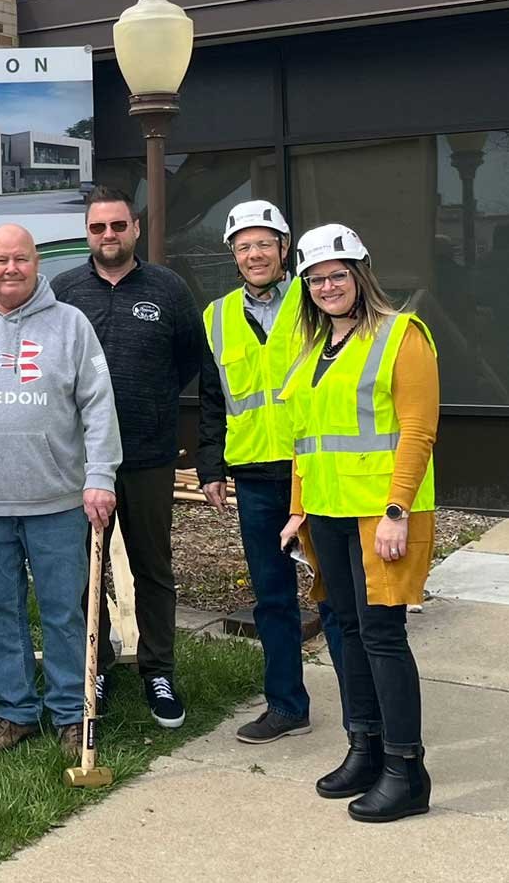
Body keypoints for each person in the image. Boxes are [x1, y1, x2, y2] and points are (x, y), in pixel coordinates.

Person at [0, 225, 121, 757]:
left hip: (57, 499)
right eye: (0, 260)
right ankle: (14, 711)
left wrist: (100, 475)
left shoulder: (71, 325)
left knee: (63, 610)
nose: (11, 269)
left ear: (37, 263)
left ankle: (71, 712)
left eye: (21, 259)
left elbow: (99, 405)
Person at [279, 224, 439, 823]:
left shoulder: (402, 335)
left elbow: (418, 431)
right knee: (345, 629)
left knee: (381, 636)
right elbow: (307, 441)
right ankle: (364, 746)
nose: (326, 286)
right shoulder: (316, 349)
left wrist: (397, 510)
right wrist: (298, 507)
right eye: (316, 279)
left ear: (360, 275)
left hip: (381, 515)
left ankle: (406, 769)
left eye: (336, 275)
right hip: (328, 514)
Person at [52, 185, 204, 728]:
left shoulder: (168, 288)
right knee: (82, 569)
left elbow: (190, 360)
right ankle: (96, 664)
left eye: (118, 226)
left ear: (135, 228)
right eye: (98, 228)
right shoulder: (64, 290)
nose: (108, 236)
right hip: (79, 460)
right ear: (87, 234)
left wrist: (151, 403)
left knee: (151, 567)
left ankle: (158, 669)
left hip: (147, 454)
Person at [196, 201, 346, 744]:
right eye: (243, 246)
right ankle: (287, 706)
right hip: (256, 476)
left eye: (264, 243)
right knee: (273, 598)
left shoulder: (317, 302)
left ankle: (363, 713)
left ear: (285, 248)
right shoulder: (215, 317)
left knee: (335, 594)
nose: (254, 254)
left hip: (316, 468)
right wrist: (211, 465)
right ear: (233, 256)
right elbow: (213, 398)